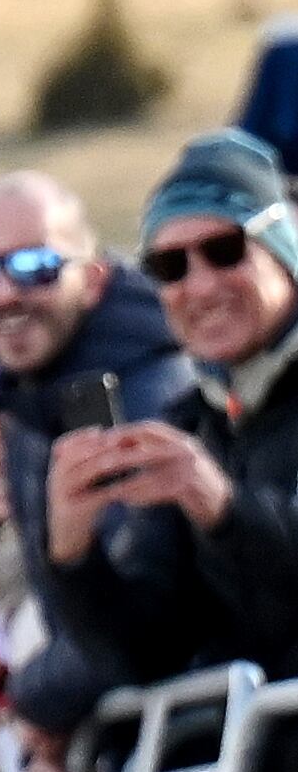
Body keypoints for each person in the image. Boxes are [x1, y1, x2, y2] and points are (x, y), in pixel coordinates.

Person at [0, 169, 220, 756]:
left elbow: (137, 627)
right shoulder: (32, 399)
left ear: (94, 279)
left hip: (199, 746)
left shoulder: (148, 399)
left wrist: (31, 696)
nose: (2, 294)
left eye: (33, 268)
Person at [99, 129, 298, 674]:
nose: (202, 285)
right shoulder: (191, 422)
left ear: (285, 256)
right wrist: (70, 556)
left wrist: (222, 506)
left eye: (225, 250)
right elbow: (149, 649)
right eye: (170, 267)